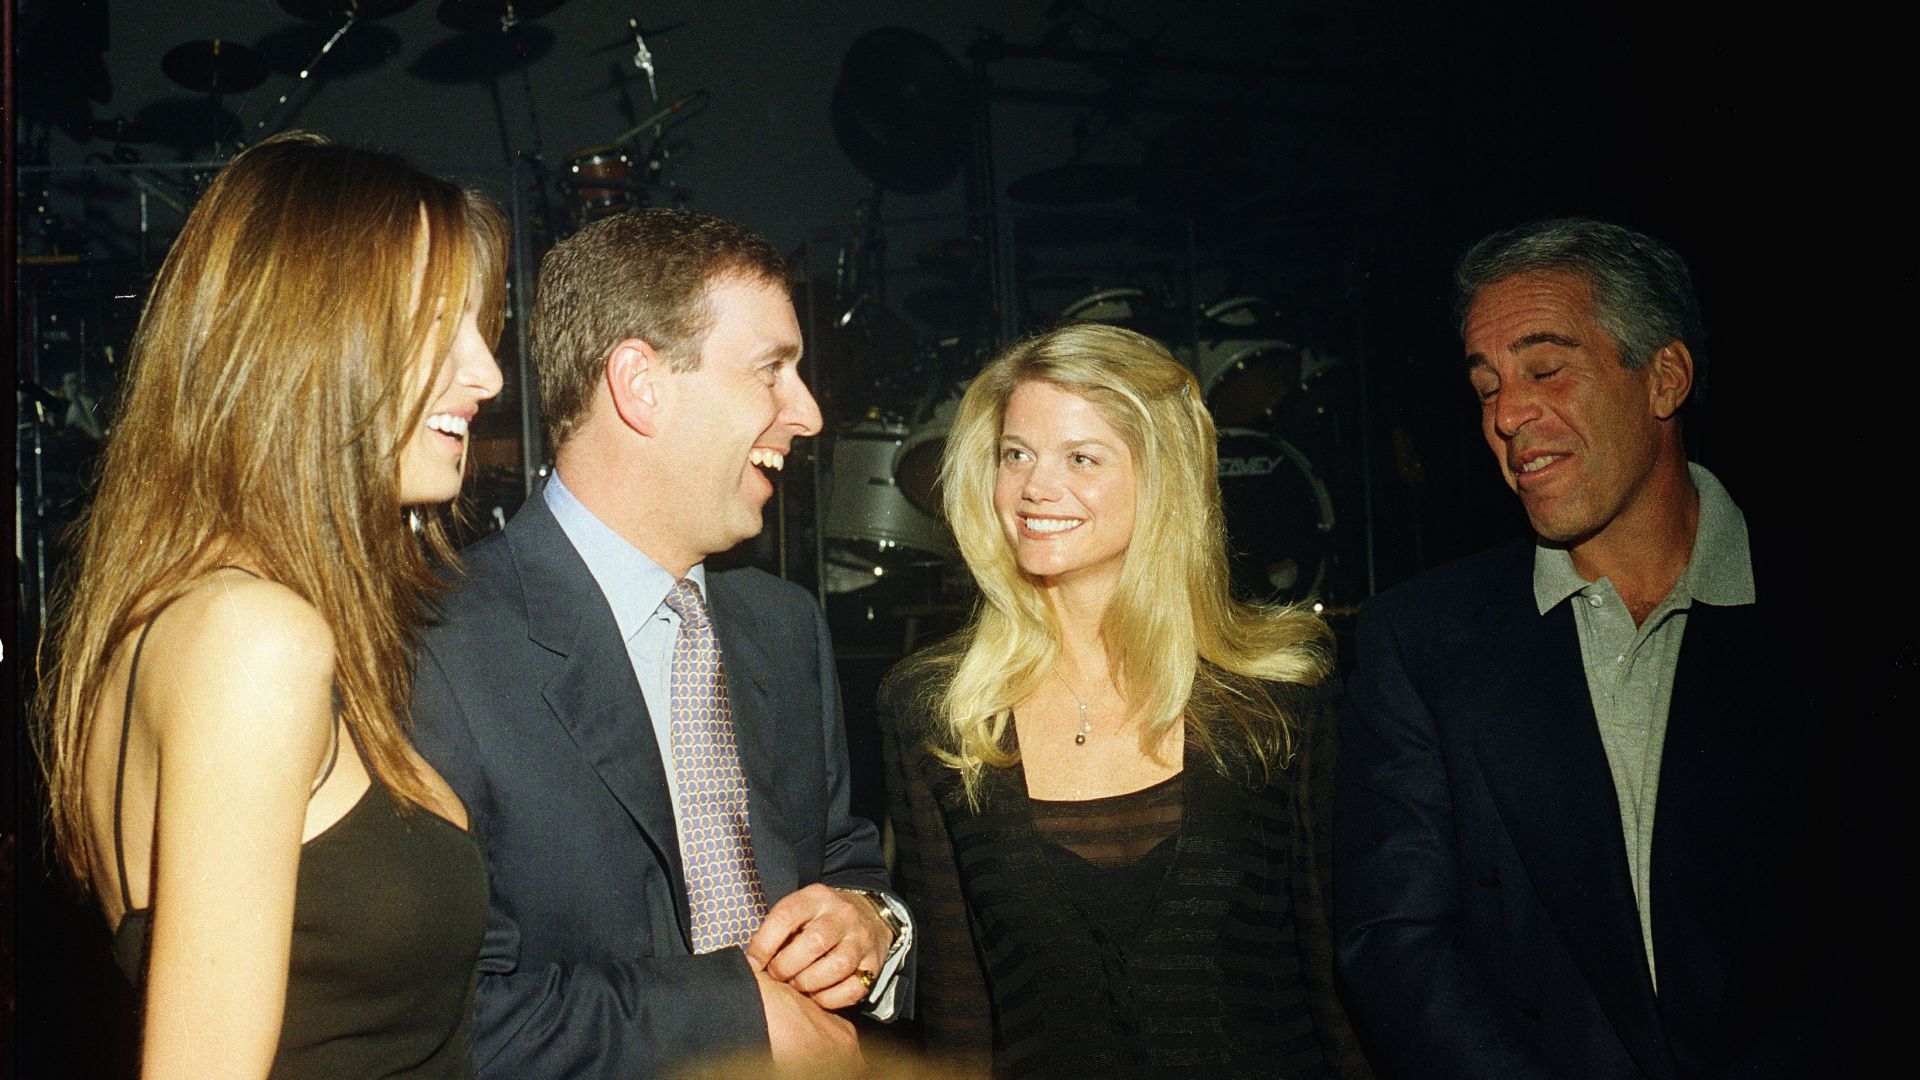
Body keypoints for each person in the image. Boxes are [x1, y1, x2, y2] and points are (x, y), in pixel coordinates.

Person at [35, 132, 506, 1078]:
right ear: (310, 338)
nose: (487, 373)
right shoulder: (251, 638)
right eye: (439, 323)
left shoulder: (179, 617)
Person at [409, 208, 914, 1079]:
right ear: (641, 384)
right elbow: (436, 1022)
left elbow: (848, 859)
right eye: (772, 371)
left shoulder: (784, 628)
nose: (809, 414)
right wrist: (732, 1022)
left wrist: (869, 923)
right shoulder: (433, 643)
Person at [1334, 218, 1840, 1078]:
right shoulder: (1422, 640)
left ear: (1664, 379)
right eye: (1487, 384)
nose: (1506, 415)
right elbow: (1397, 943)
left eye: (1544, 368)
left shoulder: (1848, 623)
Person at [879, 323, 1373, 1078]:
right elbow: (957, 1010)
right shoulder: (939, 712)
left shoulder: (1277, 697)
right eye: (1016, 455)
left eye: (1081, 457)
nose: (1035, 488)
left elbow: (1334, 982)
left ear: (1163, 477)